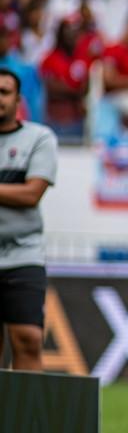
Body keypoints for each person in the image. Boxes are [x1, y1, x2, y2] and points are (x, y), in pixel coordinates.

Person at [0, 67, 57, 371]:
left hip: (23, 254)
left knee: (28, 339)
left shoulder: (39, 137)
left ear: (18, 99)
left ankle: (26, 404)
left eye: (4, 92)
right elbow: (21, 192)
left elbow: (32, 193)